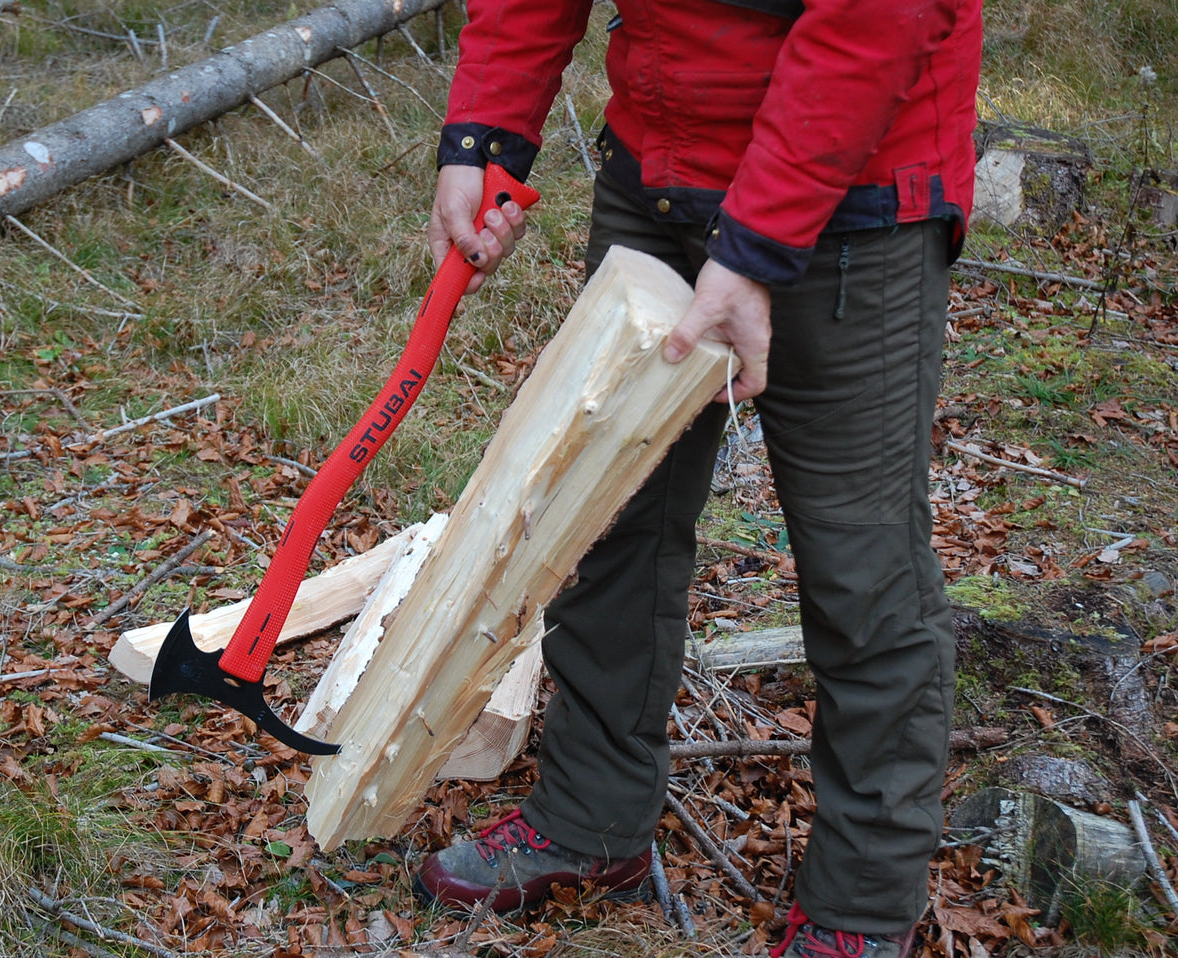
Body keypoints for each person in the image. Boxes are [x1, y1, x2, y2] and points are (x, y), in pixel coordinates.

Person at [410, 1, 984, 956]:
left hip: (855, 200)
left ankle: (859, 908)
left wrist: (754, 244)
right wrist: (481, 135)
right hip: (659, 177)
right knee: (607, 524)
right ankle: (590, 819)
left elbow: (876, 21)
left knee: (862, 569)